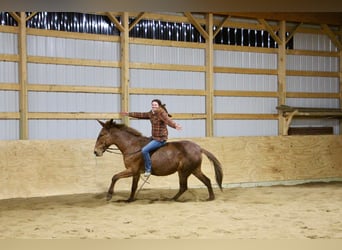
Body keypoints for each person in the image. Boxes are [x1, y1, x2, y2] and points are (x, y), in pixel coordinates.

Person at [120, 99, 182, 177]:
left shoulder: (162, 113)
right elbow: (141, 115)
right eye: (152, 104)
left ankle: (148, 169)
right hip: (154, 137)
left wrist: (175, 125)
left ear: (159, 106)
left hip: (160, 139)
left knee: (144, 150)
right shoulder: (151, 113)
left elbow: (168, 120)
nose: (153, 106)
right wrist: (128, 114)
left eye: (155, 105)